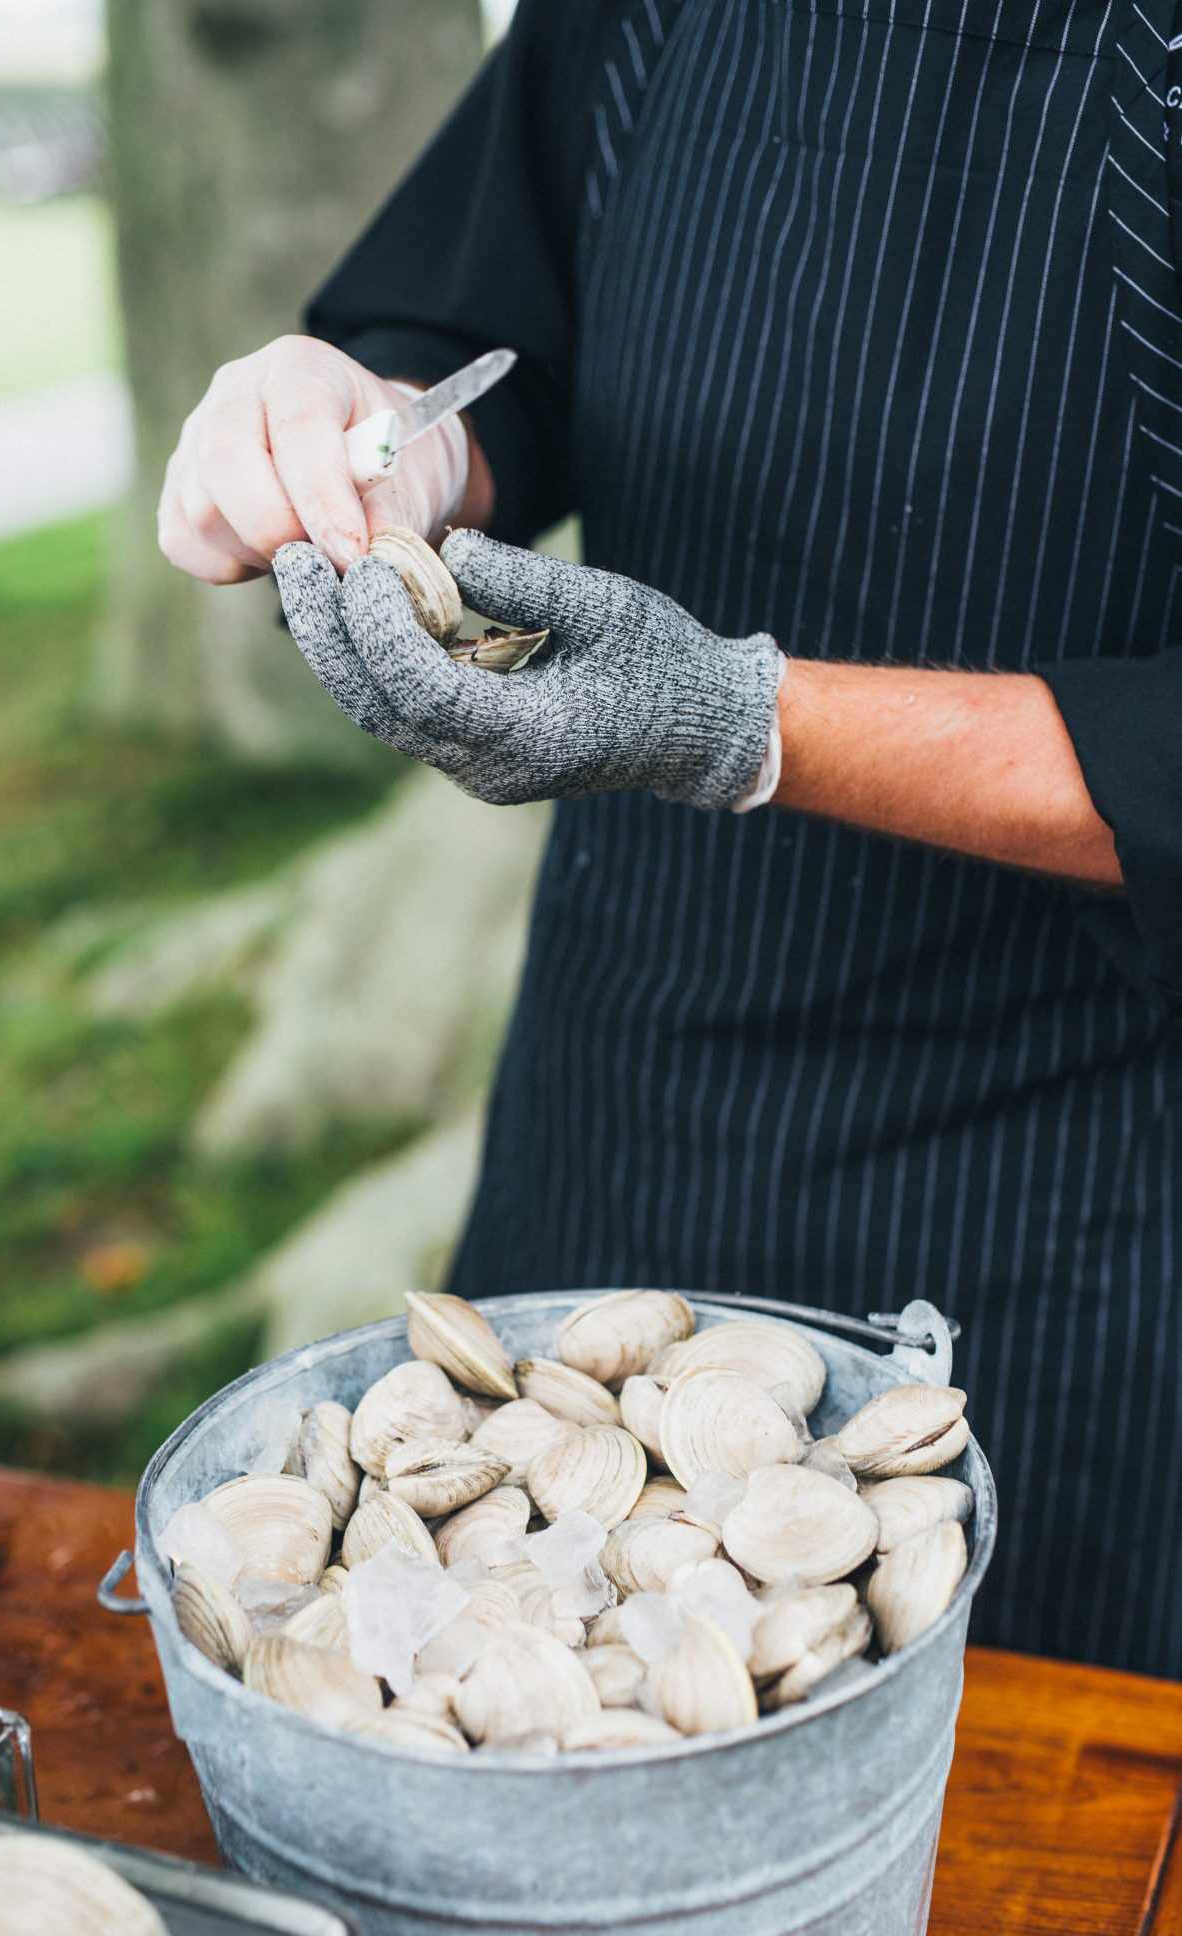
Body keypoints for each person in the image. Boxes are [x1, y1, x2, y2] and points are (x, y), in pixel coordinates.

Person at [158, 0, 1182, 1678]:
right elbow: (485, 340)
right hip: (626, 1088)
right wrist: (371, 441)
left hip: (1061, 1179)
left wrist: (746, 722)